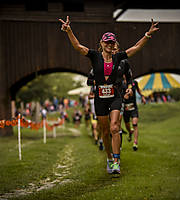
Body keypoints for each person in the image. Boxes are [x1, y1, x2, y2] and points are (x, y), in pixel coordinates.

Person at [59, 16, 159, 174]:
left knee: (114, 127)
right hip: (100, 99)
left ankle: (117, 162)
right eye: (107, 41)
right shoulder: (94, 56)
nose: (109, 44)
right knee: (105, 132)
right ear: (102, 43)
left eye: (112, 42)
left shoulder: (118, 57)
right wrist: (69, 30)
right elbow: (78, 46)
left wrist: (147, 35)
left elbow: (135, 48)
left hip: (115, 96)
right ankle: (109, 158)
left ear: (114, 44)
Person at [122, 79, 146, 151]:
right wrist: (124, 97)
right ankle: (130, 132)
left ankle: (135, 143)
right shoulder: (120, 83)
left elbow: (138, 90)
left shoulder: (134, 82)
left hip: (133, 108)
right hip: (126, 109)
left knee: (134, 124)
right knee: (127, 126)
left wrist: (142, 96)